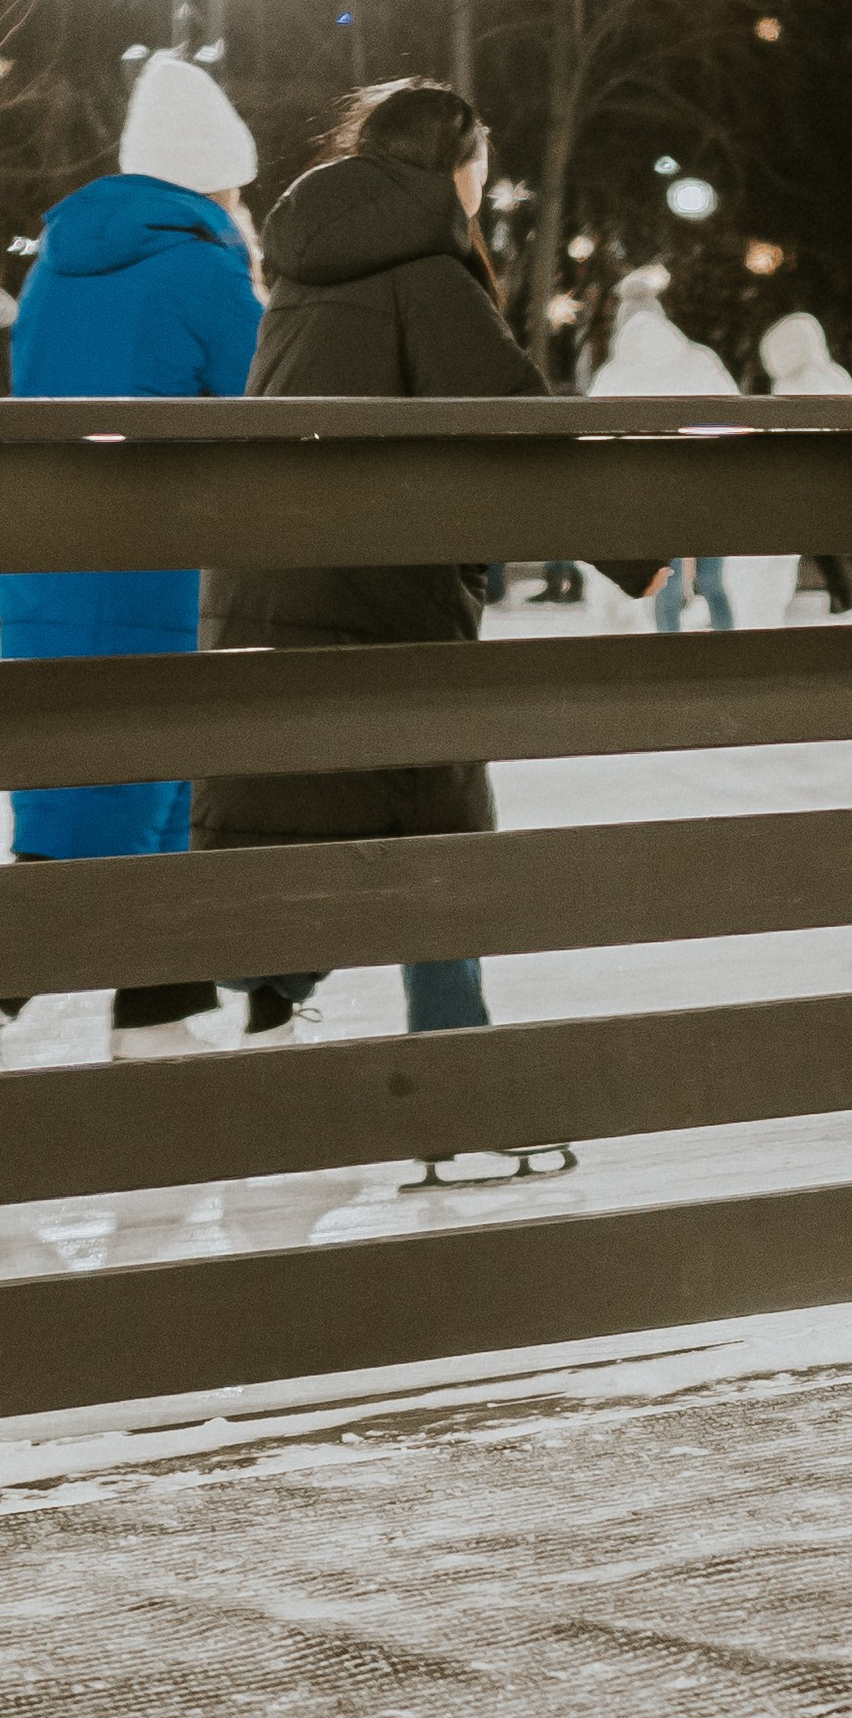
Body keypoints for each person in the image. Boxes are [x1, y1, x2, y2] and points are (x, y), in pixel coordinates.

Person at [195, 79, 659, 1053]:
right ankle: (456, 1081)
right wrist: (638, 554)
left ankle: (273, 1026)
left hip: (274, 589)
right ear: (455, 164)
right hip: (383, 598)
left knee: (304, 803)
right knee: (440, 822)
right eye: (482, 161)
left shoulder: (306, 270)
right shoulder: (426, 274)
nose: (486, 182)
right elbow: (517, 432)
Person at [1, 54, 263, 1056]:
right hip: (154, 557)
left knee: (102, 782)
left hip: (46, 555)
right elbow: (266, 404)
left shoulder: (56, 263)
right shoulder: (201, 265)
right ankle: (124, 999)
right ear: (218, 182)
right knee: (119, 795)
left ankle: (164, 1001)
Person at [588, 272, 740, 630]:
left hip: (650, 491)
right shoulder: (700, 359)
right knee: (714, 580)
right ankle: (730, 649)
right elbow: (734, 416)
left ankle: (668, 652)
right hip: (708, 485)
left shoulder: (616, 374)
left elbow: (594, 439)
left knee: (666, 583)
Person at [761, 309, 852, 612]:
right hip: (833, 470)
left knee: (811, 539)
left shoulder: (789, 384)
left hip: (801, 472)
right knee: (824, 540)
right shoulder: (833, 376)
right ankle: (843, 596)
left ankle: (834, 596)